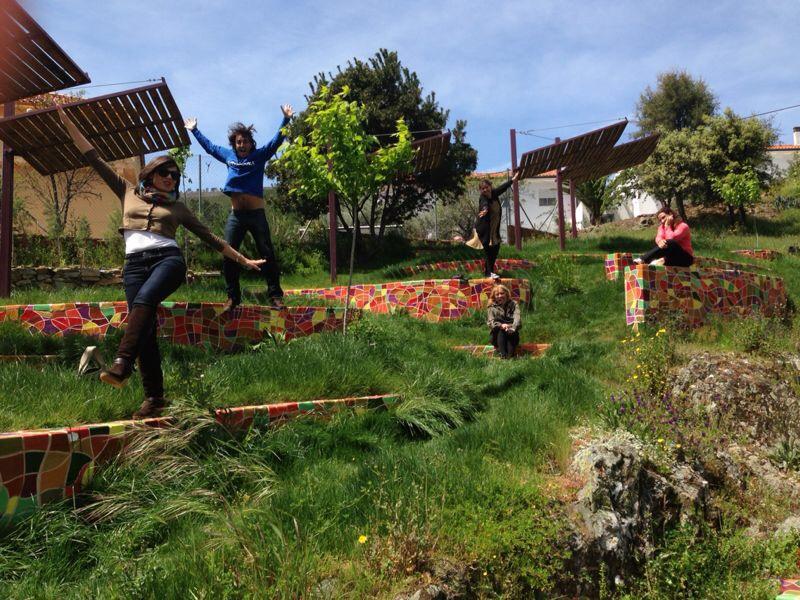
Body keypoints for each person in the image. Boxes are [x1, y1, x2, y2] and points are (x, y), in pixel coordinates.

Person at [57, 106, 265, 419]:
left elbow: (211, 238)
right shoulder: (127, 191)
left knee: (144, 302)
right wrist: (66, 123)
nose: (170, 178)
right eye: (165, 173)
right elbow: (94, 158)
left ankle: (122, 363)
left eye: (175, 176)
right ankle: (154, 399)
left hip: (168, 260)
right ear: (151, 174)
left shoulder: (178, 208)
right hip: (134, 265)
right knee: (145, 329)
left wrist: (243, 259)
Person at [184, 106, 293, 310]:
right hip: (236, 216)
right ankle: (233, 298)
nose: (242, 145)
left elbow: (276, 141)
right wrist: (195, 130)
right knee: (229, 253)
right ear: (234, 144)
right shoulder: (229, 156)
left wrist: (285, 120)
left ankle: (275, 296)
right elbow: (210, 148)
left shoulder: (259, 155)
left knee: (267, 253)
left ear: (251, 143)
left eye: (245, 141)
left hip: (256, 215)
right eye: (238, 142)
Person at [466, 171, 521, 277]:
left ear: (490, 187)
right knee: (488, 251)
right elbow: (484, 204)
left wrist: (513, 180)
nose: (485, 190)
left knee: (495, 249)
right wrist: (485, 210)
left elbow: (503, 187)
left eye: (486, 187)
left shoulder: (494, 194)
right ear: (480, 190)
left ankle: (489, 272)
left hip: (494, 230)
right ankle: (489, 273)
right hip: (484, 229)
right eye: (482, 188)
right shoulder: (483, 197)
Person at [487, 284, 522, 359]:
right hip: (497, 335)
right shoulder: (491, 307)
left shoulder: (514, 304)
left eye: (502, 293)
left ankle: (510, 355)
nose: (500, 296)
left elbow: (517, 318)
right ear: (494, 297)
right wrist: (501, 325)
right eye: (497, 294)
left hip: (511, 333)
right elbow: (490, 322)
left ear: (506, 294)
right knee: (501, 330)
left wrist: (512, 327)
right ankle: (503, 355)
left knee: (510, 332)